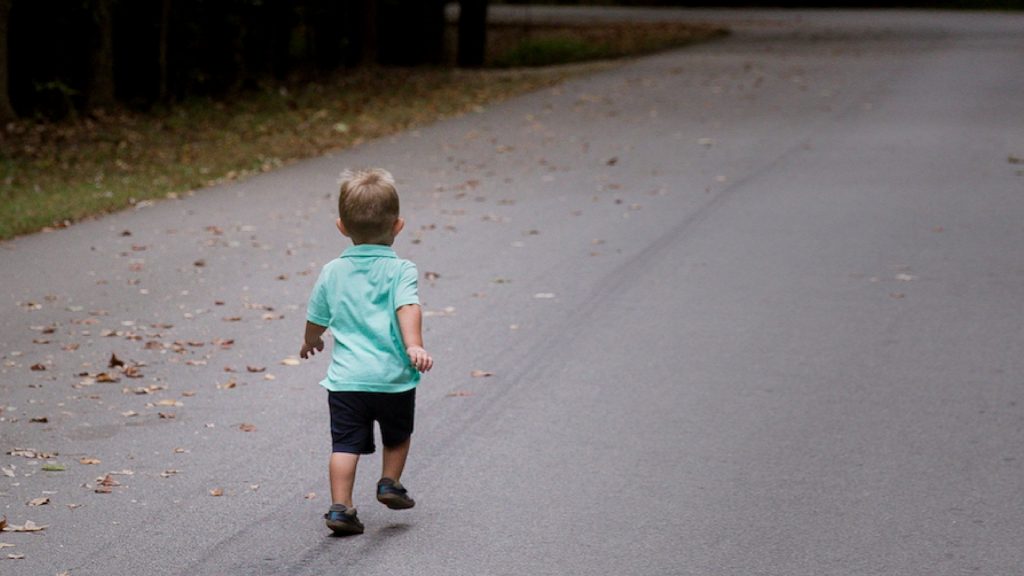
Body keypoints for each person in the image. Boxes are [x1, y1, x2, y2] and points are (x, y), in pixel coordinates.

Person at [300, 168, 433, 536]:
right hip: (392, 378)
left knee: (344, 444)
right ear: (399, 225)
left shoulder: (333, 271)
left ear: (341, 226)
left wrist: (311, 341)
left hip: (346, 381)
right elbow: (408, 307)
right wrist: (414, 345)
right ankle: (389, 482)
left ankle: (341, 508)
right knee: (397, 434)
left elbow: (316, 316)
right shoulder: (401, 269)